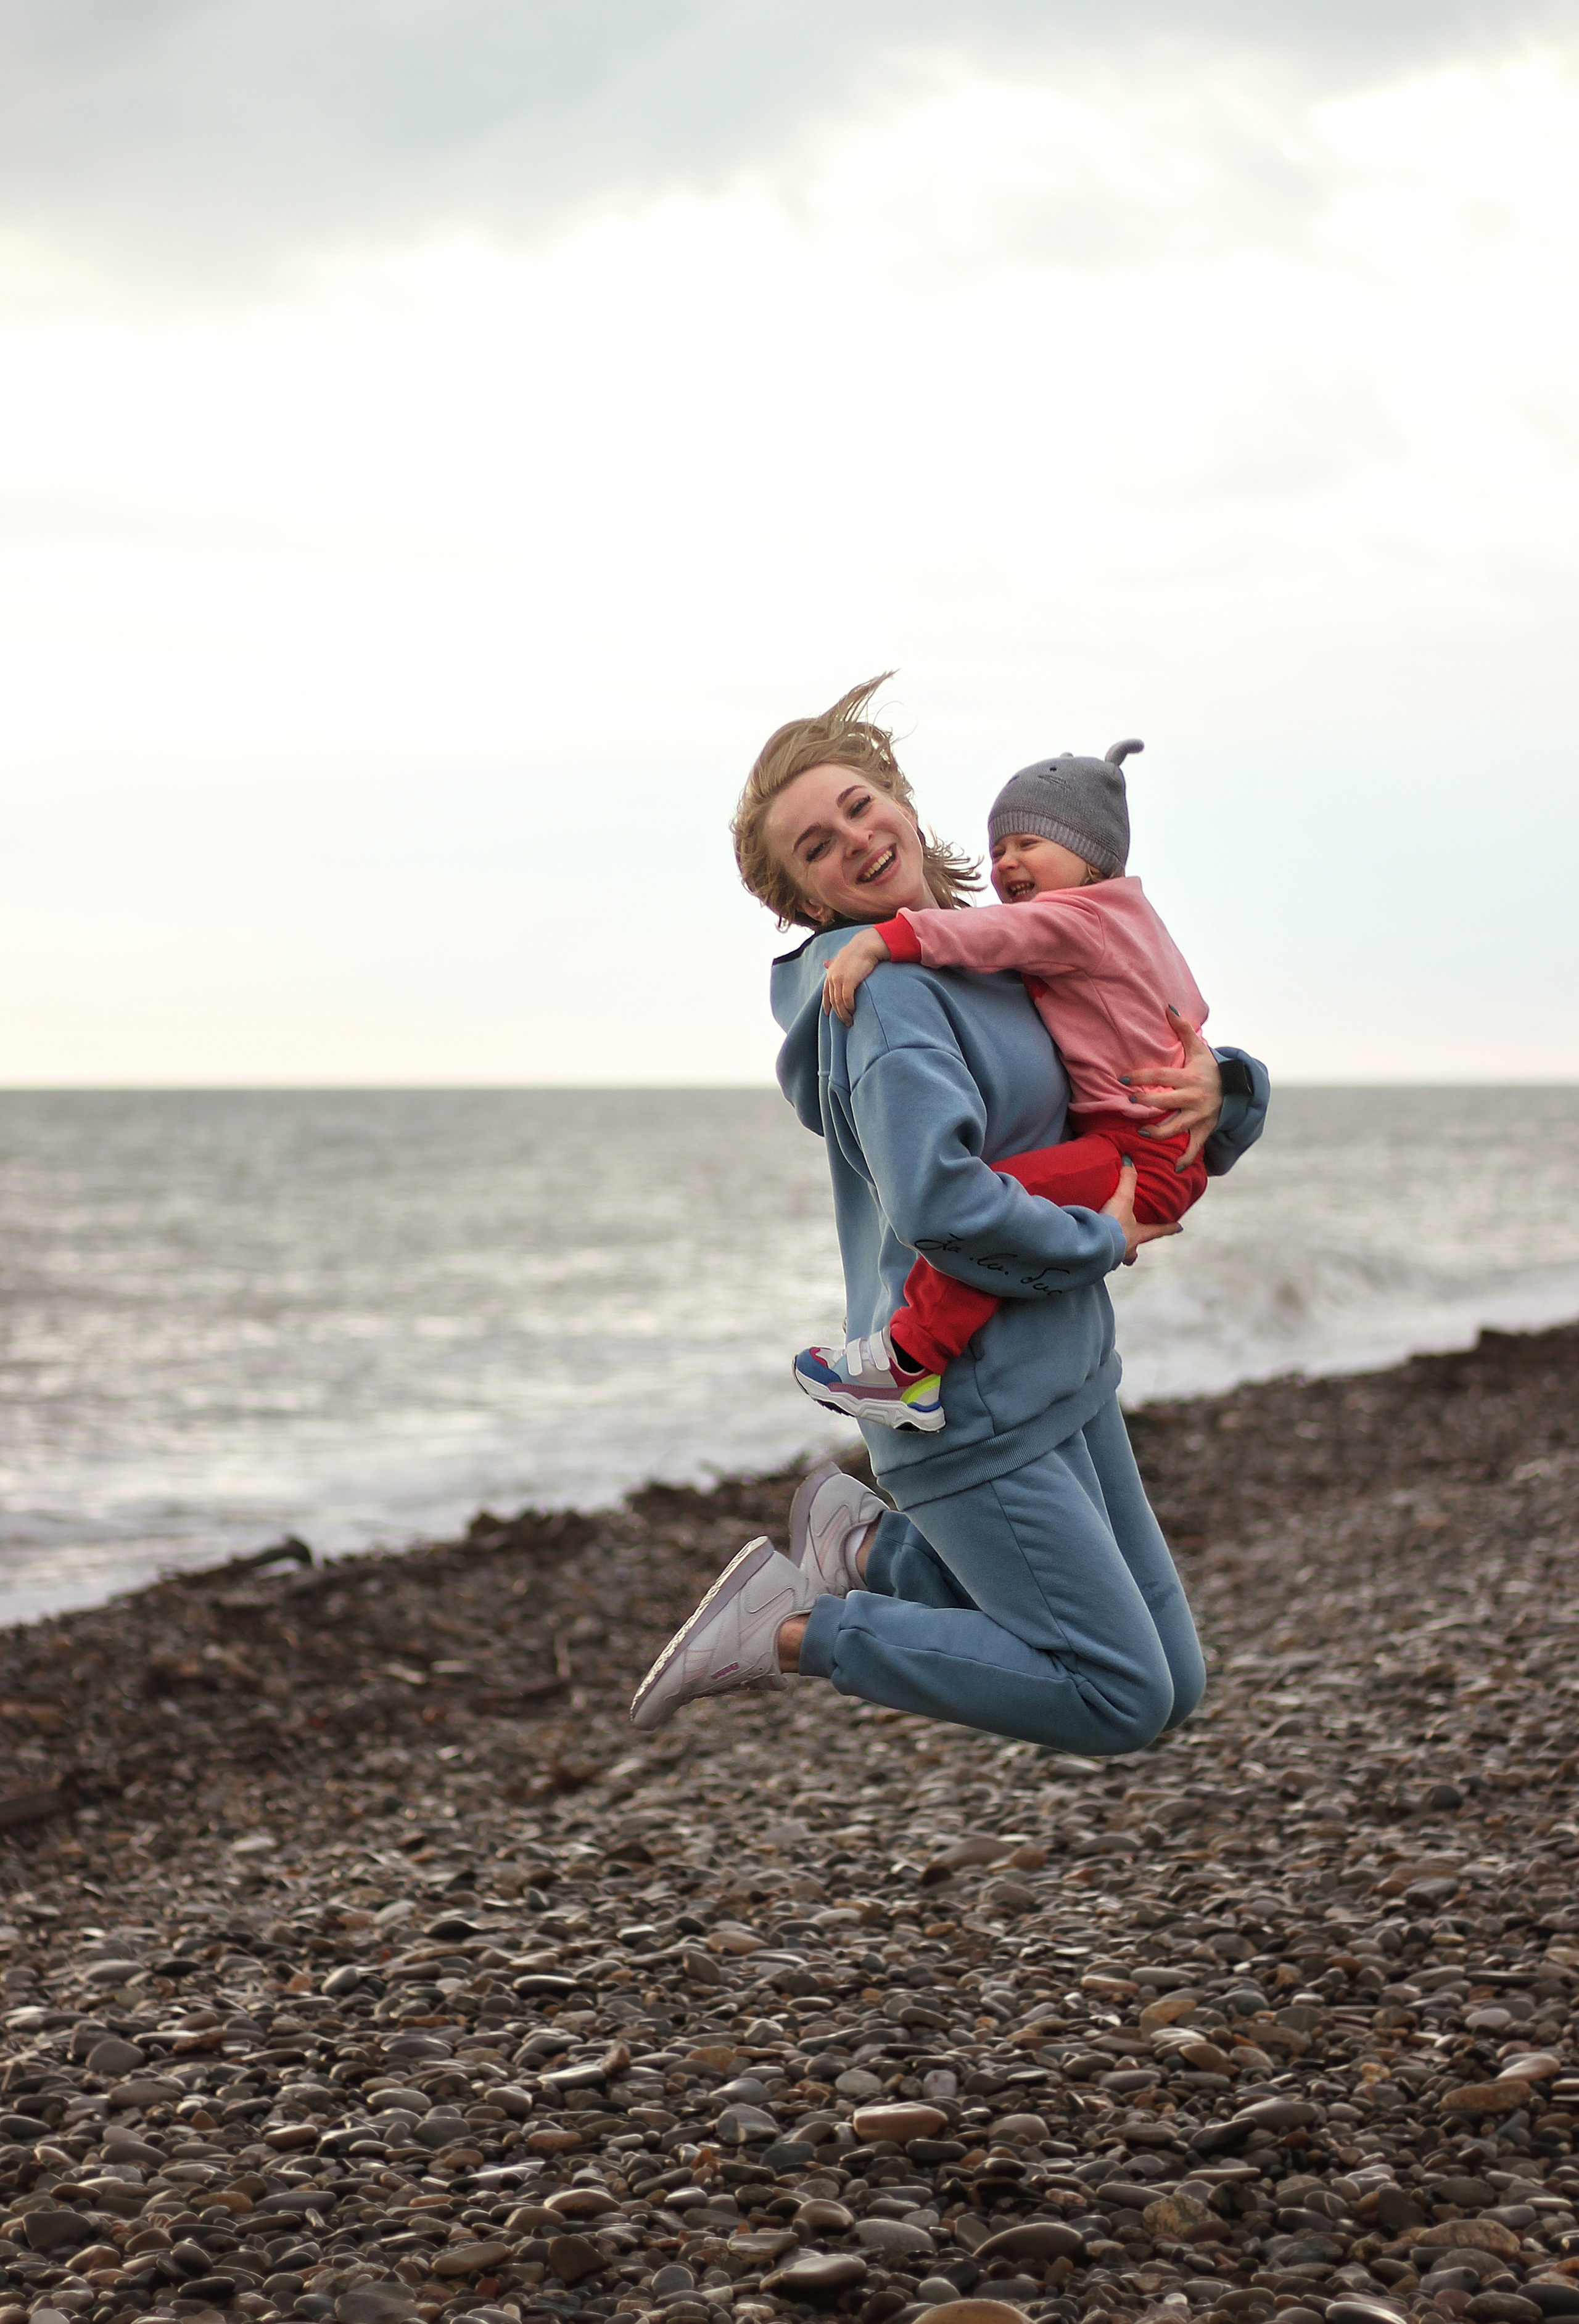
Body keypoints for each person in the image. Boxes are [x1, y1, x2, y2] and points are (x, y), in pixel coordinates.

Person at [629, 676, 1268, 1754]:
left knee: (1176, 1683)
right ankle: (787, 1630)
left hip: (1066, 1370)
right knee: (1117, 1695)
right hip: (964, 1404)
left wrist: (1229, 1089)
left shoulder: (993, 940)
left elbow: (1129, 1065)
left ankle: (865, 1547)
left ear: (902, 800)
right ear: (808, 900)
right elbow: (942, 1205)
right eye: (817, 846)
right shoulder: (886, 994)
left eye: (859, 805)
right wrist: (1101, 1237)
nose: (856, 840)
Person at [792, 735, 1216, 1434]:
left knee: (998, 1204)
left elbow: (985, 936)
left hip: (1138, 1154)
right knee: (1001, 1204)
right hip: (1156, 1150)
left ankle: (909, 1364)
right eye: (1000, 851)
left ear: (1091, 856)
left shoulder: (1076, 918)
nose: (1008, 863)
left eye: (1030, 845)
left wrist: (881, 941)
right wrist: (1224, 1085)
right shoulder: (1129, 923)